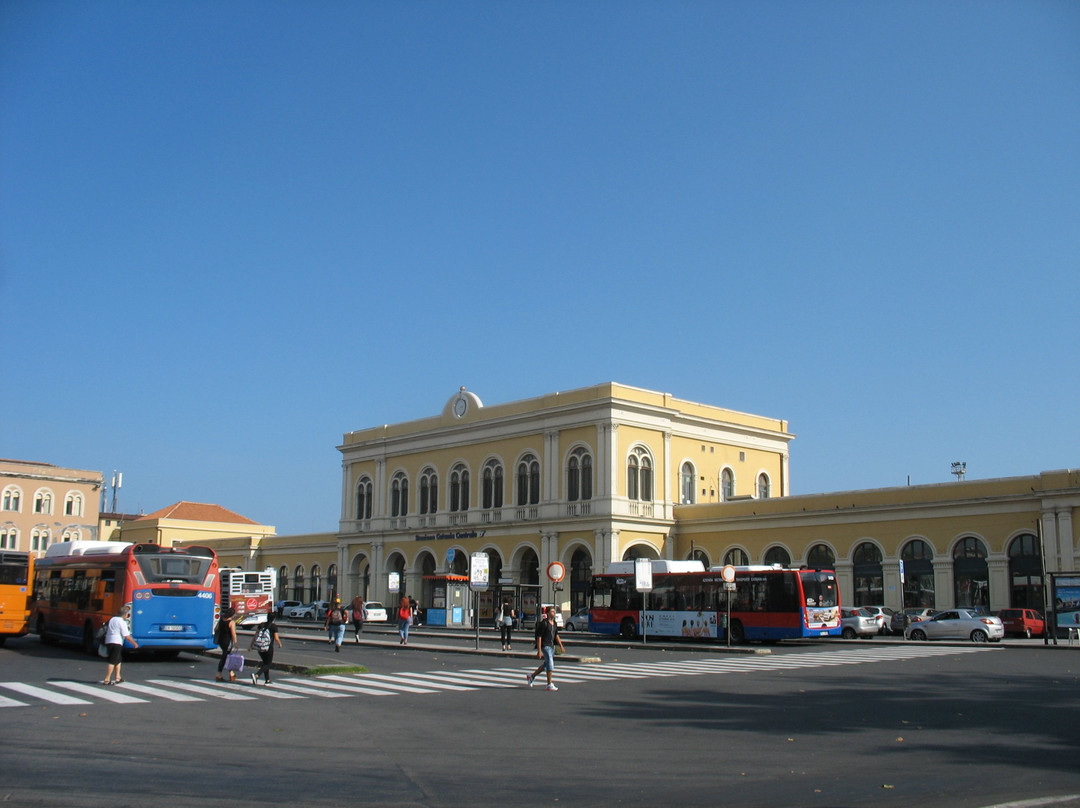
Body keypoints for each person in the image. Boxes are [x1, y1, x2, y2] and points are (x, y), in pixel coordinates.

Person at [526, 606, 566, 691]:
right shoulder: (544, 623)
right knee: (550, 663)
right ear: (548, 613)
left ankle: (531, 676)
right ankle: (549, 684)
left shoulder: (554, 623)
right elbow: (539, 637)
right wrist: (539, 650)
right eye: (552, 612)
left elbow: (556, 635)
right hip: (545, 646)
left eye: (554, 612)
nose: (554, 613)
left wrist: (561, 645)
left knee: (546, 665)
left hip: (552, 646)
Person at [102, 604, 138, 685]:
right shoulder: (122, 622)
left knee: (118, 659)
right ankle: (107, 679)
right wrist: (134, 643)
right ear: (125, 614)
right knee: (112, 660)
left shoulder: (112, 619)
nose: (127, 616)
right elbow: (126, 635)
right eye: (127, 614)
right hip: (116, 642)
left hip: (109, 641)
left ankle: (118, 677)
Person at [249, 612, 282, 685]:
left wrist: (251, 646)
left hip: (260, 647)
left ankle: (267, 680)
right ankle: (257, 675)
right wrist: (280, 644)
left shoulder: (261, 625)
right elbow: (276, 638)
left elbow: (255, 635)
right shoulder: (273, 626)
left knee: (265, 663)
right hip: (268, 647)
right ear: (274, 618)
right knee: (268, 664)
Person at [215, 606, 238, 682]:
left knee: (227, 656)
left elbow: (216, 629)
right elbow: (233, 634)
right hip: (228, 642)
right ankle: (219, 674)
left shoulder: (221, 620)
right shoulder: (231, 623)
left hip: (221, 641)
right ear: (232, 615)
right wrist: (236, 643)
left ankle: (231, 673)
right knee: (225, 657)